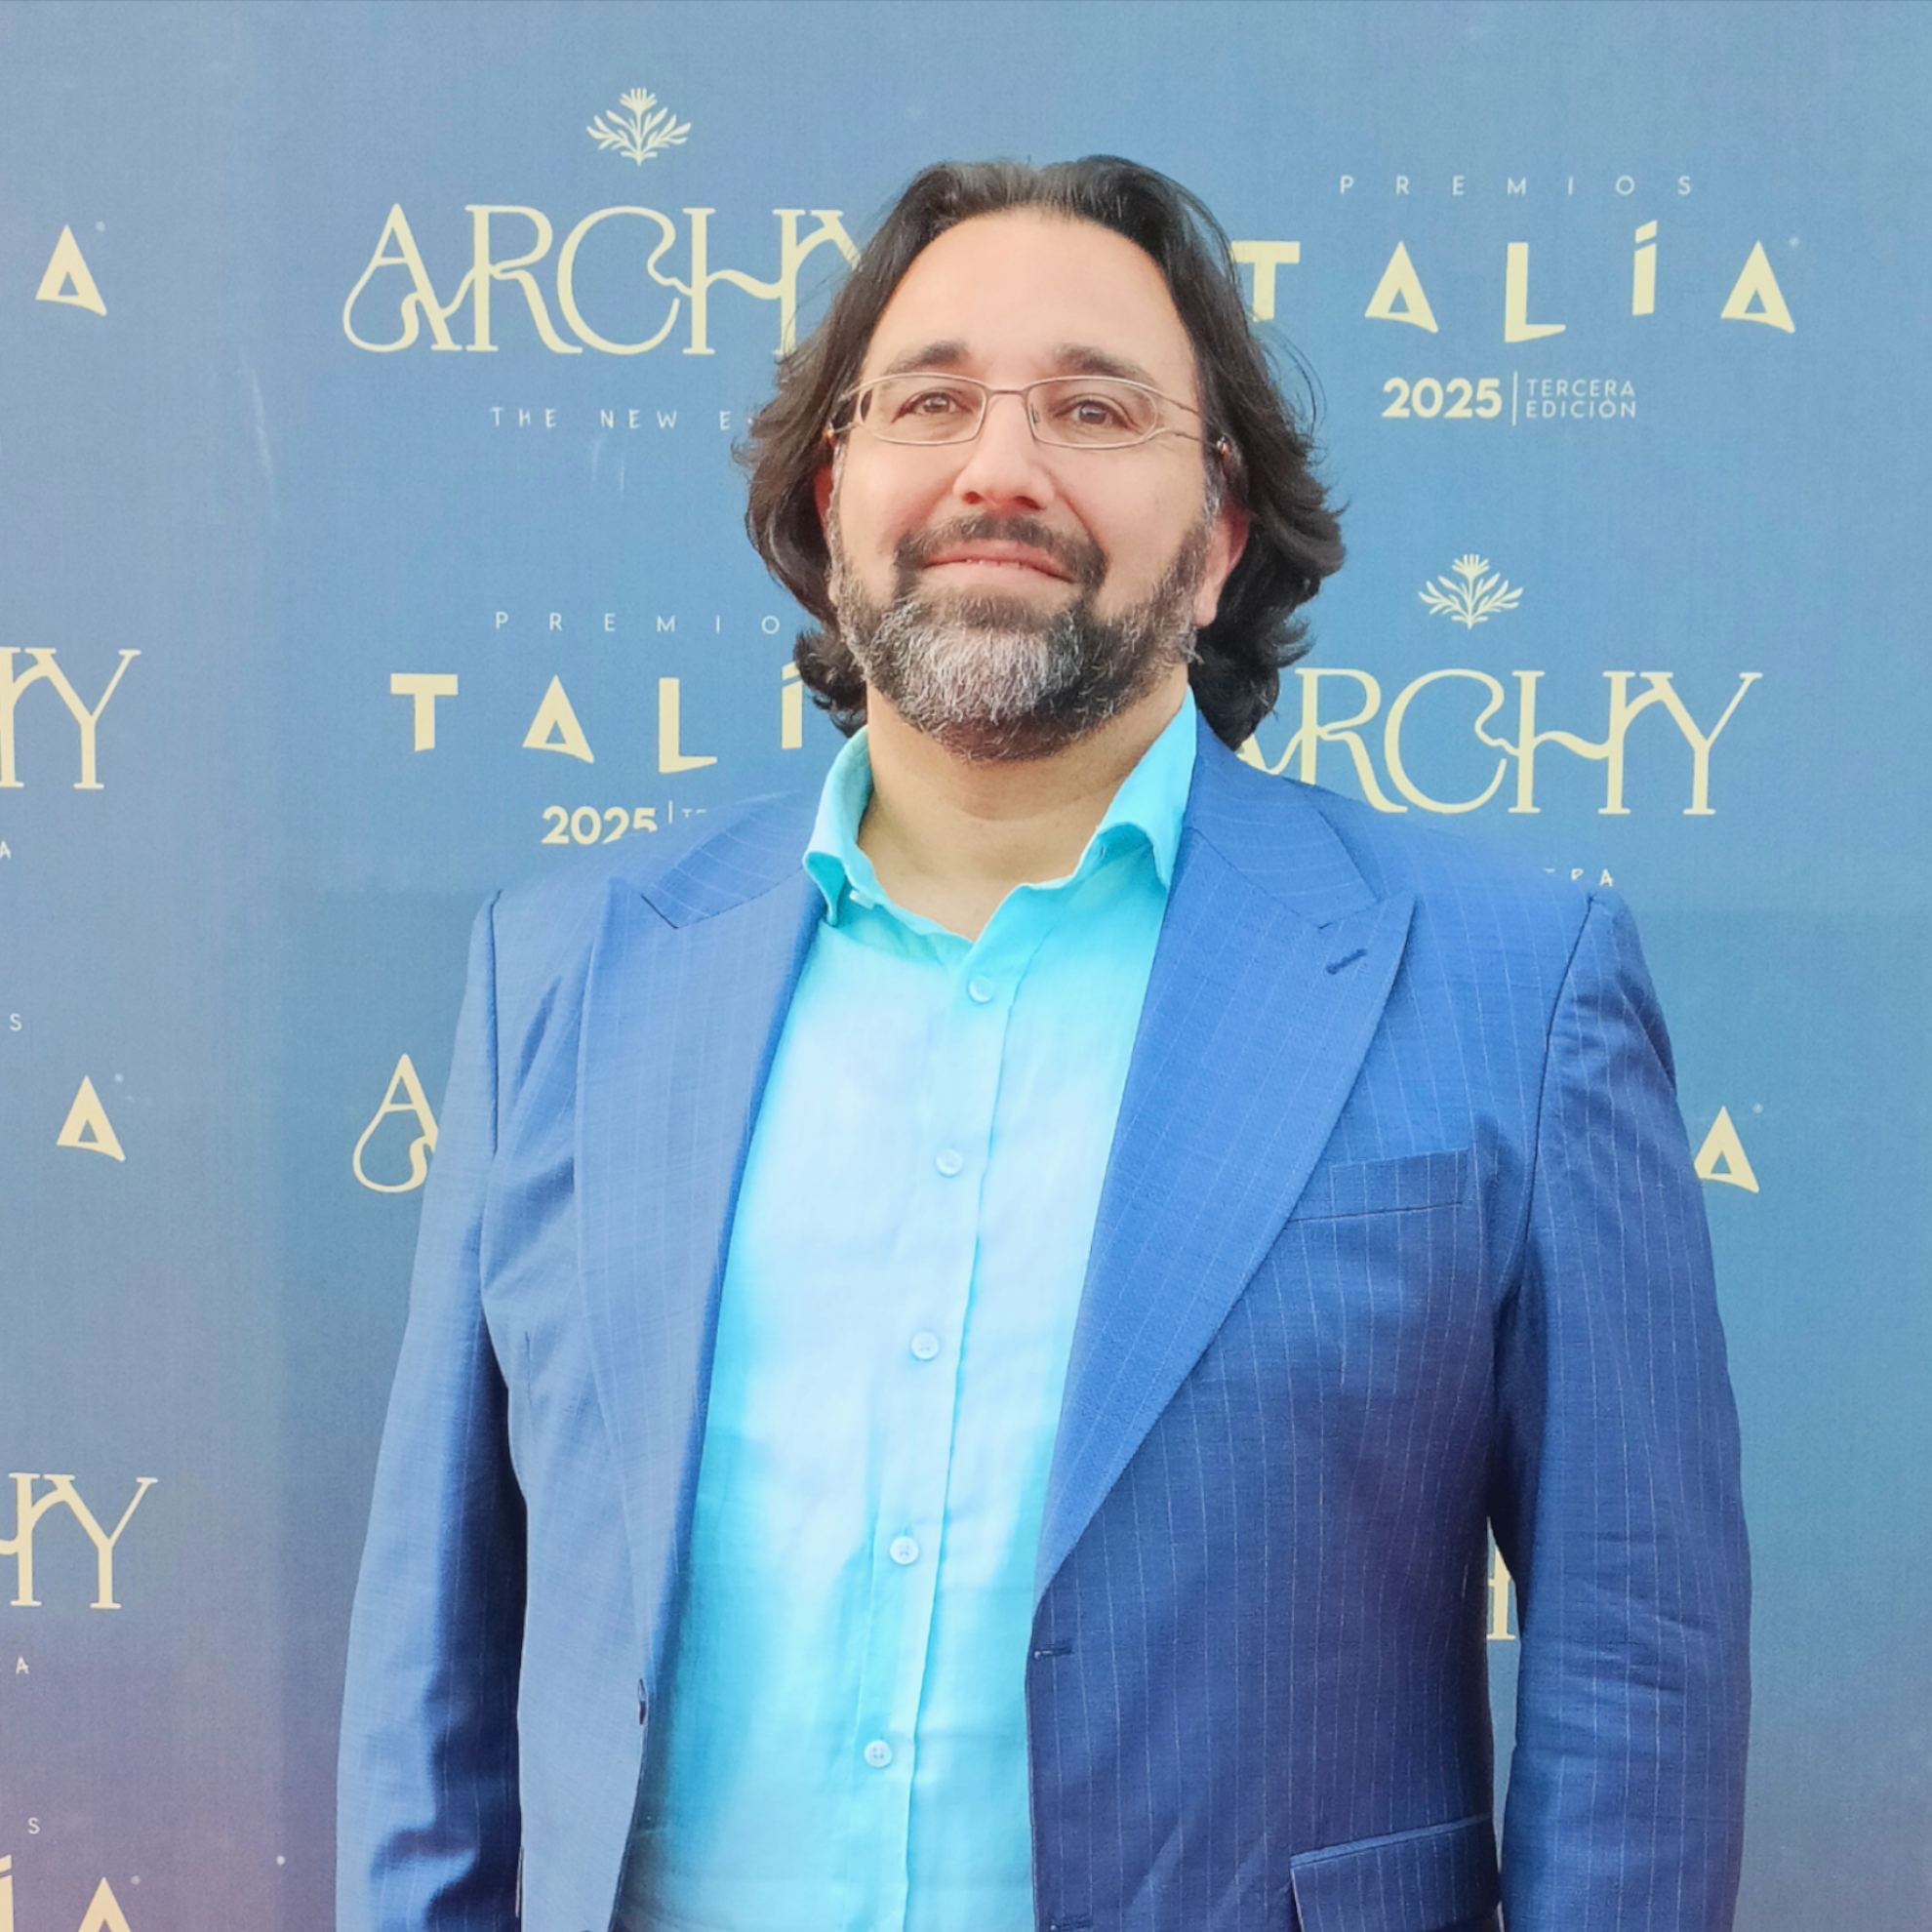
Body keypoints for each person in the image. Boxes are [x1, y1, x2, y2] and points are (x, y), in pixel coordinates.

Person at [337, 157, 1750, 1932]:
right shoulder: (558, 977)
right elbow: (435, 1674)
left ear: (1219, 534)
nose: (999, 468)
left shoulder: (1511, 990)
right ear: (835, 494)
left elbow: (1637, 1673)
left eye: (1094, 408)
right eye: (930, 402)